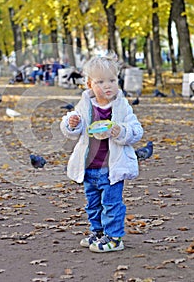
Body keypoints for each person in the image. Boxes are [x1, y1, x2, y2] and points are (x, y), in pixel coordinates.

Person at [60, 52, 143, 253]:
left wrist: (121, 131)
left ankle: (114, 237)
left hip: (111, 168)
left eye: (112, 80)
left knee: (111, 204)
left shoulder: (122, 106)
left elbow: (137, 131)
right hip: (90, 167)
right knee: (93, 204)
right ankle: (97, 232)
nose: (107, 86)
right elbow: (73, 130)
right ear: (89, 85)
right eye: (100, 81)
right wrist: (72, 124)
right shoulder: (85, 104)